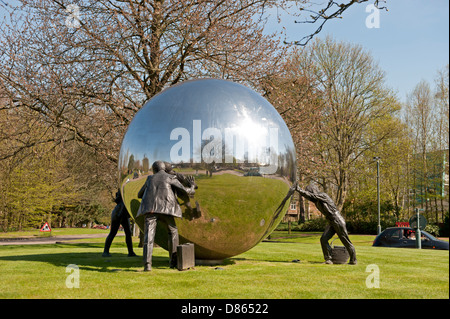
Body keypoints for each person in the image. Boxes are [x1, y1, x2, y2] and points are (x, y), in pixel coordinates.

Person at [136, 161, 196, 271]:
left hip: (151, 211)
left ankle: (147, 265)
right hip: (166, 210)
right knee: (173, 232)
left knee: (148, 237)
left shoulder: (149, 179)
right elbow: (185, 191)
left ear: (154, 169)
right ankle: (173, 262)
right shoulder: (170, 177)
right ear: (164, 168)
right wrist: (192, 186)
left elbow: (139, 194)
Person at [293, 182, 357, 265]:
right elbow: (310, 197)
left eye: (309, 191)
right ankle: (328, 259)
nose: (309, 193)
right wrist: (299, 191)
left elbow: (313, 196)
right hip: (331, 221)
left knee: (345, 240)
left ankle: (353, 260)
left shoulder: (322, 195)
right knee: (323, 239)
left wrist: (299, 189)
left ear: (313, 190)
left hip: (337, 219)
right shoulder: (316, 200)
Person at [102, 190, 137, 257]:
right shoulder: (125, 195)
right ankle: (105, 251)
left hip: (123, 215)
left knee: (128, 233)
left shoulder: (125, 195)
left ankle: (131, 252)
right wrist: (120, 216)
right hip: (118, 214)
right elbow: (123, 207)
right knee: (113, 232)